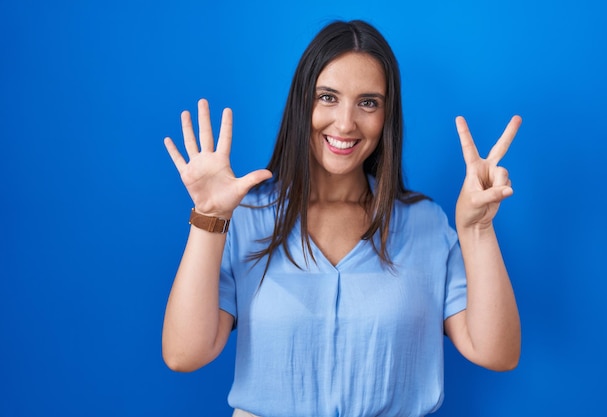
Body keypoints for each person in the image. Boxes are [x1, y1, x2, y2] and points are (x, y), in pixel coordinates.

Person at [162, 19, 521, 417]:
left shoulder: (426, 225)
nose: (346, 123)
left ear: (387, 116)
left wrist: (478, 229)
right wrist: (209, 217)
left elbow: (496, 352)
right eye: (327, 97)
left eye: (368, 102)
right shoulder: (247, 217)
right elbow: (184, 354)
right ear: (302, 102)